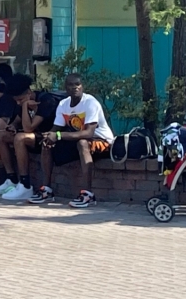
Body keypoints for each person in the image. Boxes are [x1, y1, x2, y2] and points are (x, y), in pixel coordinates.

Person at [16, 73, 115, 207]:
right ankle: (46, 191)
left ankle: (88, 194)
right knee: (47, 143)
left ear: (82, 86)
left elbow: (88, 133)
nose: (75, 87)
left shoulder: (90, 103)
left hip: (101, 140)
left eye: (78, 84)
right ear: (65, 87)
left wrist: (58, 135)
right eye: (71, 85)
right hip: (77, 140)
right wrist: (49, 136)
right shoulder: (63, 104)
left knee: (82, 143)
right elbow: (56, 128)